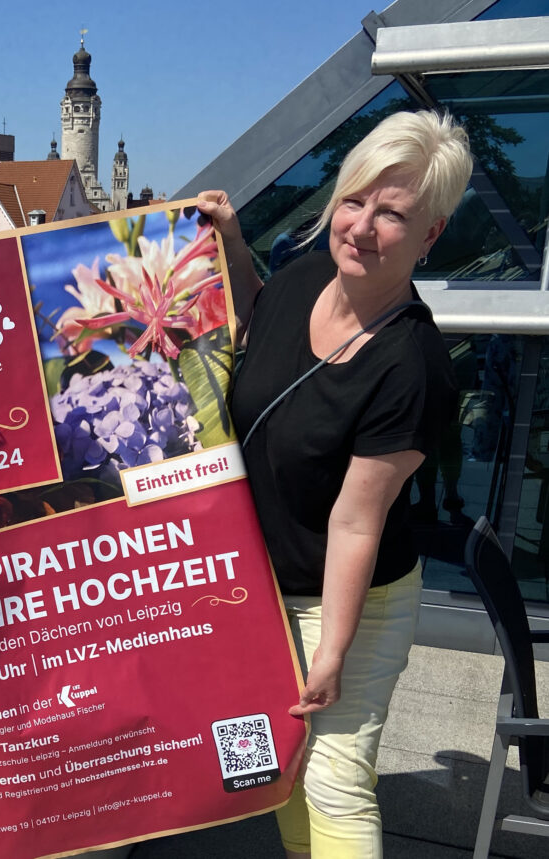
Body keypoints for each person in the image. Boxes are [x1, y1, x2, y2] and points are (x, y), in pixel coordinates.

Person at [198, 110, 472, 858]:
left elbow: (358, 521)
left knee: (335, 779)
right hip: (263, 584)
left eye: (393, 215)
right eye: (354, 200)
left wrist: (334, 649)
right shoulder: (310, 272)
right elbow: (258, 320)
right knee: (280, 769)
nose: (360, 226)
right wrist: (231, 242)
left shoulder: (411, 367)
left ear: (430, 235)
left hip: (347, 599)